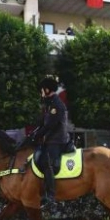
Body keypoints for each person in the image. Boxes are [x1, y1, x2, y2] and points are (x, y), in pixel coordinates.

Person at [30, 77, 70, 209]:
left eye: (41, 90)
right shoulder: (49, 104)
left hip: (57, 140)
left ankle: (51, 197)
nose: (40, 93)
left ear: (47, 90)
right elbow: (42, 124)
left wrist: (38, 135)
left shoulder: (56, 105)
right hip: (50, 139)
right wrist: (34, 134)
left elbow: (50, 126)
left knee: (47, 163)